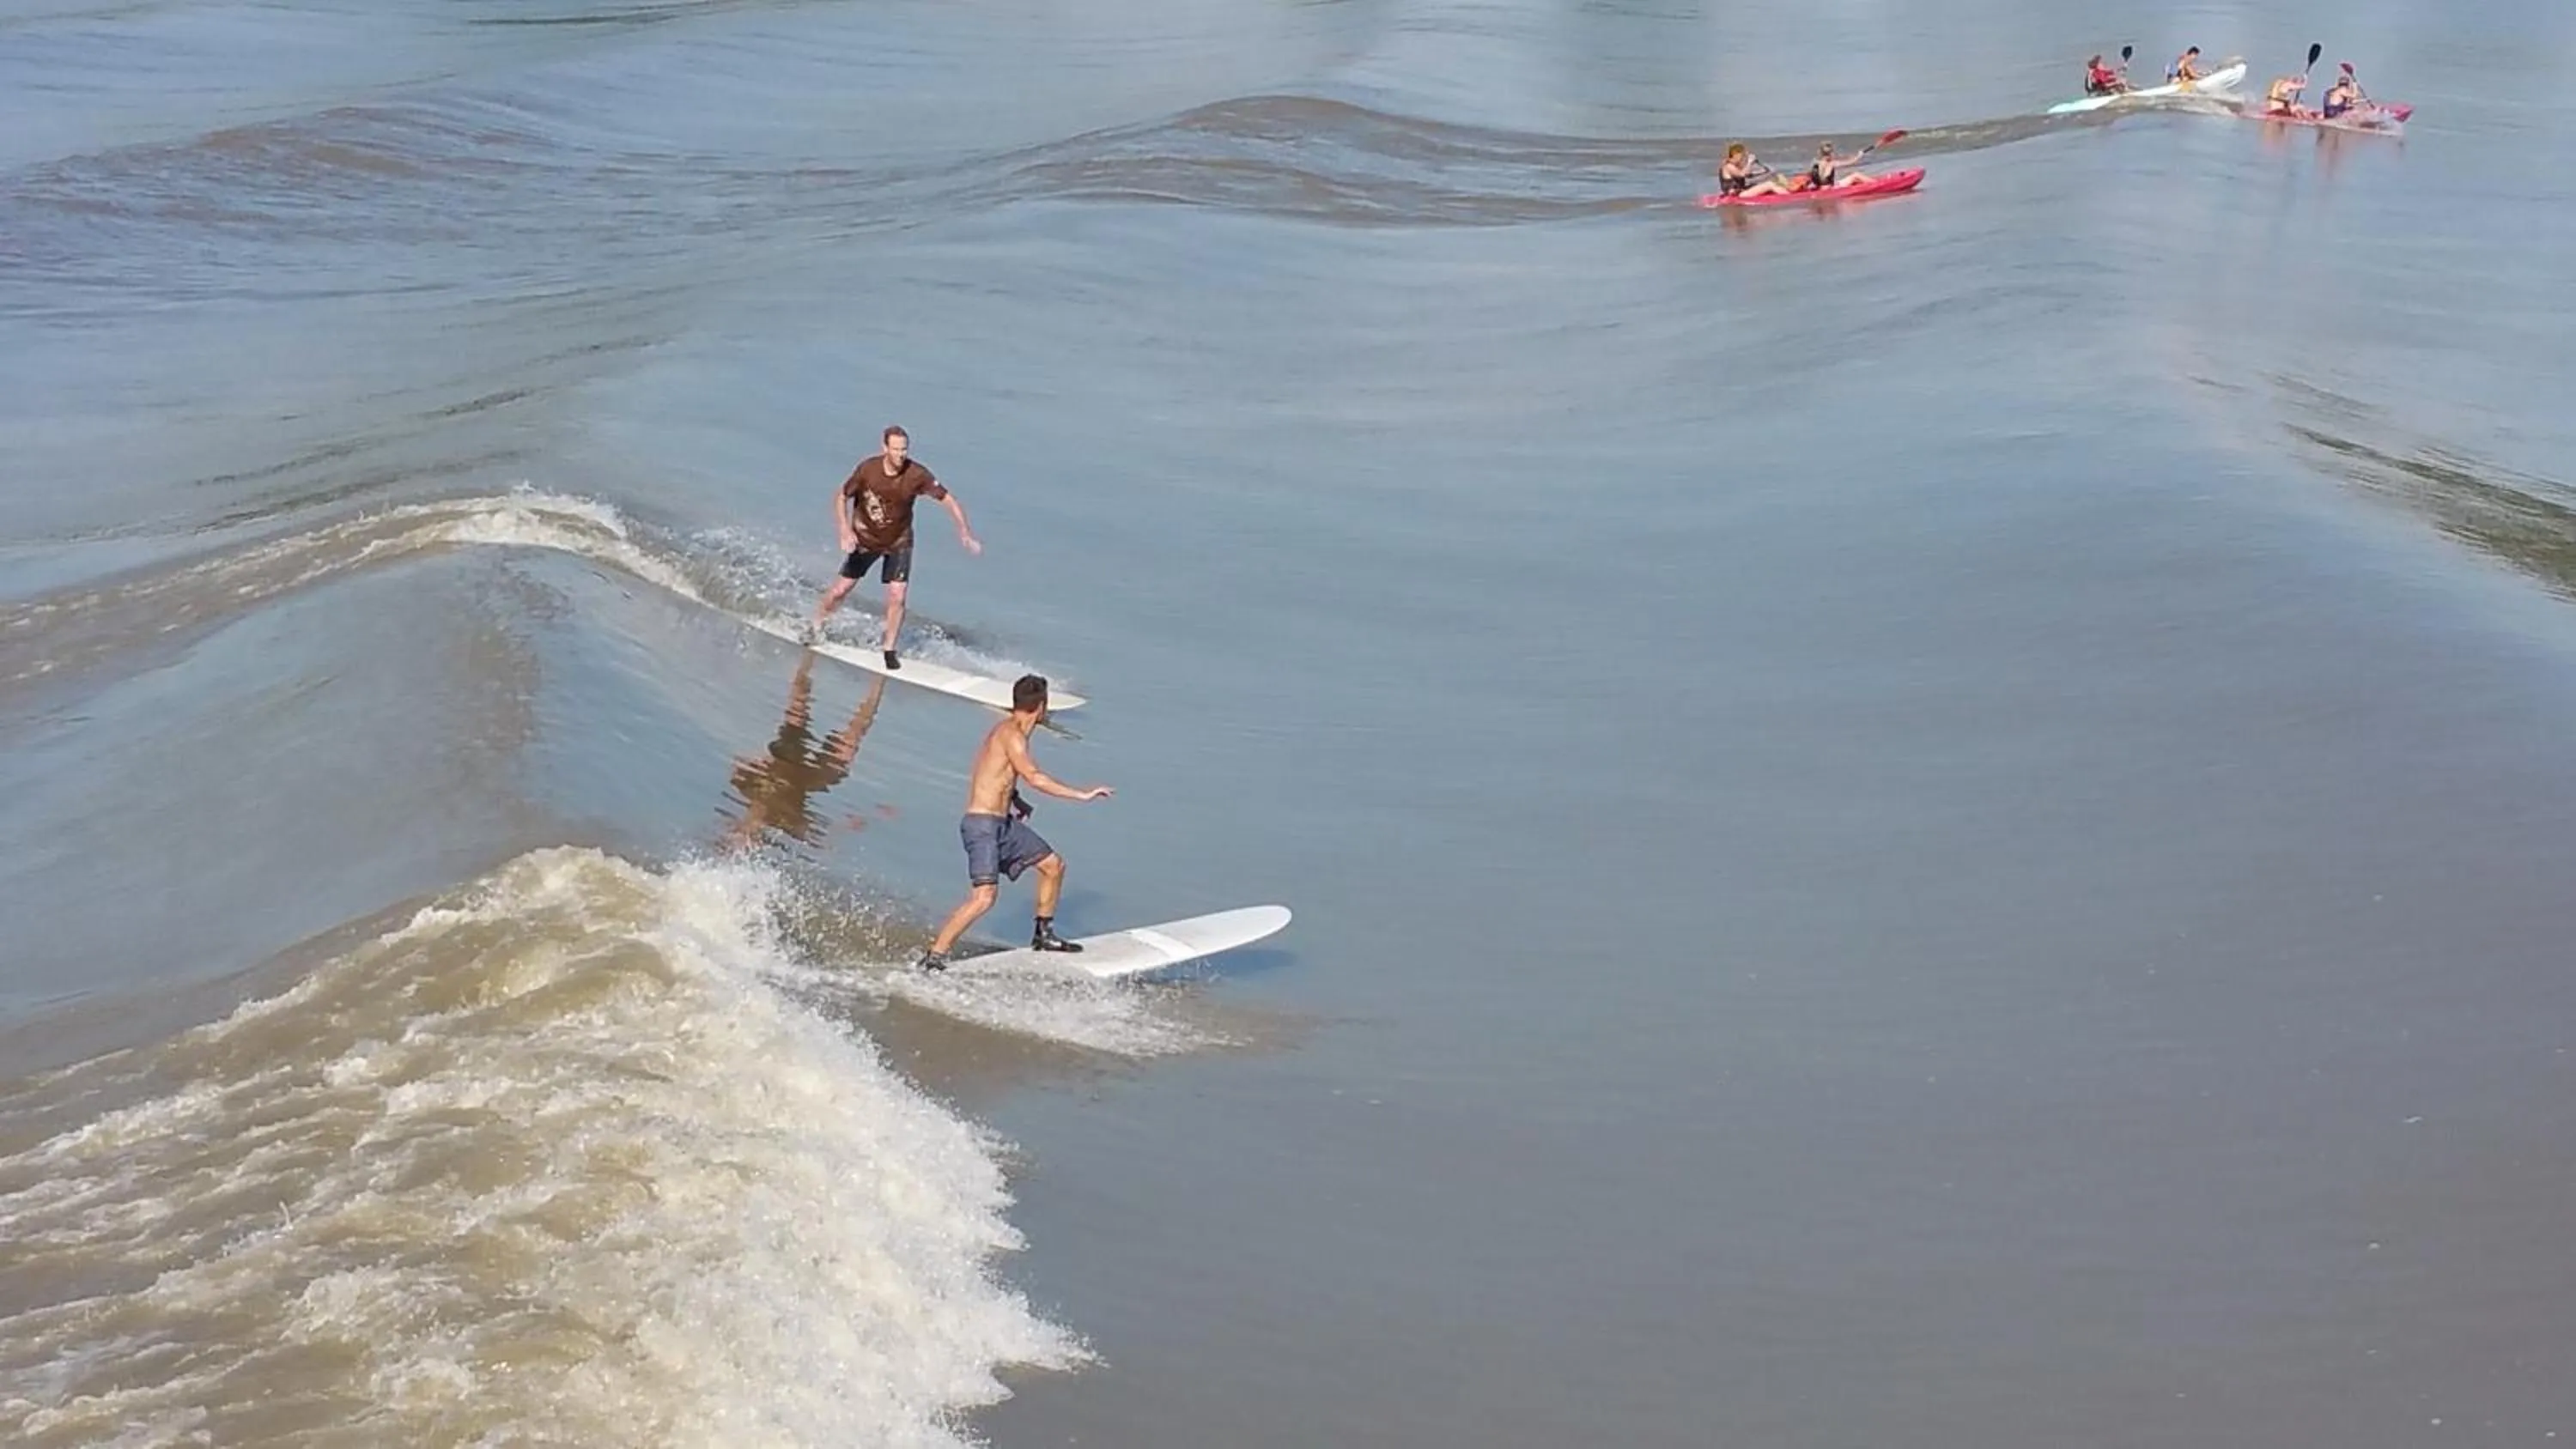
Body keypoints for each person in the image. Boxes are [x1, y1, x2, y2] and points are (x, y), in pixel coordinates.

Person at [916, 674, 1114, 971]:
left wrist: (1015, 799)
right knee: (984, 898)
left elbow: (995, 773)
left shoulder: (1006, 733)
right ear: (1042, 707)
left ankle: (1043, 934)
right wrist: (1081, 795)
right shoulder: (1012, 735)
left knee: (1053, 865)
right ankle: (934, 957)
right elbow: (1034, 776)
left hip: (1002, 824)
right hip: (982, 826)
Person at [808, 424, 981, 670]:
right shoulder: (868, 469)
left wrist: (964, 532)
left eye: (904, 449)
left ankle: (889, 648)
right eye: (896, 449)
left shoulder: (917, 475)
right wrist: (844, 530)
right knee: (840, 590)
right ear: (885, 448)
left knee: (897, 596)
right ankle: (816, 625)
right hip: (865, 539)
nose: (901, 455)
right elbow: (841, 496)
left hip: (899, 541)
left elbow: (948, 500)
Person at [1715, 143, 1795, 198]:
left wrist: (1766, 172)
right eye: (1742, 156)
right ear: (1736, 155)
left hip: (1740, 192)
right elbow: (1742, 175)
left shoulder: (1734, 166)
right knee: (1769, 185)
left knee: (1764, 184)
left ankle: (1783, 192)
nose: (1743, 158)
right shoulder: (1729, 166)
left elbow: (1748, 174)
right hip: (1737, 195)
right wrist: (1750, 162)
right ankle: (1790, 197)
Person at [1795, 140, 1870, 191]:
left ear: (1820, 153)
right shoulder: (1831, 163)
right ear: (1831, 153)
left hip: (1820, 188)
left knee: (1854, 180)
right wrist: (1860, 155)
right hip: (1830, 189)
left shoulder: (1815, 163)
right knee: (1856, 175)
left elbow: (1810, 176)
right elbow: (1852, 162)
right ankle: (1876, 184)